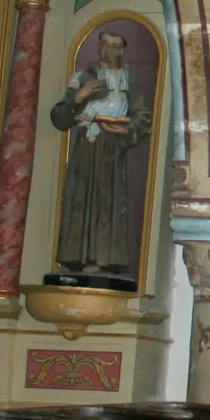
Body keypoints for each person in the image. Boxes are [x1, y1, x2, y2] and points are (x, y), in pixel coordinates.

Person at [50, 31, 151, 275]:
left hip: (112, 149)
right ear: (99, 47)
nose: (113, 49)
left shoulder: (129, 81)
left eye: (118, 46)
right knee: (79, 198)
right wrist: (79, 97)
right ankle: (74, 258)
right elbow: (60, 118)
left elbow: (143, 118)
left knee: (107, 201)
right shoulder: (82, 78)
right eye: (108, 44)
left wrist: (126, 128)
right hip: (86, 147)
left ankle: (103, 258)